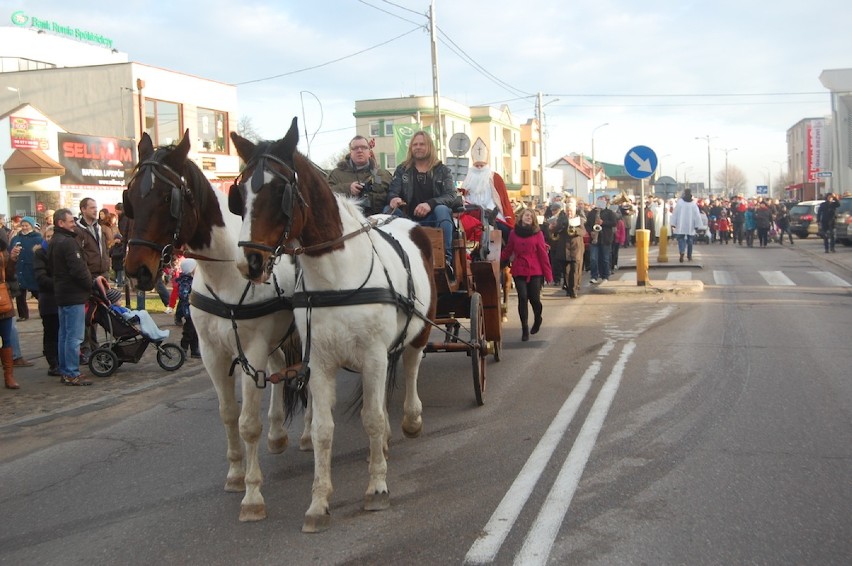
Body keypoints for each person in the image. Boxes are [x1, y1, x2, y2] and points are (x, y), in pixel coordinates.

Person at [387, 131, 457, 277]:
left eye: (422, 144)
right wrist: (393, 198)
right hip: (408, 219)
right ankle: (389, 258)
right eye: (415, 144)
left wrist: (430, 204)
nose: (418, 147)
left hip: (434, 219)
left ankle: (446, 259)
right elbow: (393, 191)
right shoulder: (402, 169)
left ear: (429, 147)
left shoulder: (443, 170)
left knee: (443, 210)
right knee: (387, 211)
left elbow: (451, 195)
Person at [50, 208, 96, 386]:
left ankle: (66, 370)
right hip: (73, 294)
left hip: (62, 293)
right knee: (74, 337)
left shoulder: (55, 240)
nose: (74, 224)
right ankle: (71, 372)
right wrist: (90, 285)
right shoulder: (68, 242)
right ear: (61, 223)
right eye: (71, 221)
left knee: (64, 335)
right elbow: (78, 269)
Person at [500, 208, 553, 342]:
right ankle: (524, 328)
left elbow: (542, 255)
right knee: (522, 297)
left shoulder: (538, 233)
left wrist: (548, 275)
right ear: (521, 217)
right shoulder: (514, 233)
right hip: (519, 269)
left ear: (534, 220)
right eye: (526, 215)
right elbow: (508, 250)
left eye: (531, 216)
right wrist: (497, 259)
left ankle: (538, 318)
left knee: (534, 299)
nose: (529, 217)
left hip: (535, 270)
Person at [75, 198, 113, 360]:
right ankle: (85, 347)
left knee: (97, 312)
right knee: (86, 313)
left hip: (101, 273)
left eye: (96, 207)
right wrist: (86, 275)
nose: (95, 210)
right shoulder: (78, 230)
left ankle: (94, 344)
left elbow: (104, 248)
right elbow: (80, 255)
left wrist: (106, 267)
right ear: (83, 209)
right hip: (88, 275)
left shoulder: (99, 227)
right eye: (91, 208)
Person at [460, 138, 516, 246]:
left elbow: (500, 199)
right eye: (477, 166)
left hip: (492, 214)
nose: (480, 168)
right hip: (471, 213)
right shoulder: (468, 178)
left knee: (507, 232)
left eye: (482, 165)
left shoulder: (495, 177)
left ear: (486, 165)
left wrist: (488, 210)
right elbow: (464, 198)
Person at [327, 135, 392, 216]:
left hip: (380, 223)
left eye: (364, 147)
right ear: (350, 152)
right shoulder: (336, 174)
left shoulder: (383, 174)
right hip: (349, 225)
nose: (359, 150)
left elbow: (394, 194)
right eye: (355, 148)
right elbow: (326, 194)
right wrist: (348, 189)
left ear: (369, 152)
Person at [33, 225, 60, 376]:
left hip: (62, 298)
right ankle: (53, 362)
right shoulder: (40, 254)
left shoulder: (59, 252)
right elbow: (41, 278)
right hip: (48, 299)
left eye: (52, 236)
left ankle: (60, 359)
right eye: (47, 236)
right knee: (50, 331)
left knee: (61, 331)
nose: (50, 239)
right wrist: (60, 282)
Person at [10, 216, 41, 321]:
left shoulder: (38, 238)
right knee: (20, 294)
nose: (24, 227)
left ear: (31, 226)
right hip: (19, 269)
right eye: (22, 225)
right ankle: (23, 315)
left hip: (32, 268)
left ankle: (43, 311)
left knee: (37, 292)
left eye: (26, 225)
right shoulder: (16, 238)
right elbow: (10, 251)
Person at [0, 239, 22, 389]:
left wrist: (12, 259)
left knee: (6, 340)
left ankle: (9, 376)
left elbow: (8, 274)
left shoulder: (2, 250)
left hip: (3, 302)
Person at [669, 188, 703, 263]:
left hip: (681, 224)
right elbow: (697, 215)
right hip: (690, 225)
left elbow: (675, 213)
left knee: (681, 239)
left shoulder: (680, 202)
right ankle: (689, 256)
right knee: (690, 241)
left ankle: (682, 251)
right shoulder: (693, 204)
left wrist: (673, 223)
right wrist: (697, 225)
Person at [586, 204, 617, 283]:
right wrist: (590, 232)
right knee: (593, 258)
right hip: (594, 239)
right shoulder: (592, 213)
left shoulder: (609, 212)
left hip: (605, 238)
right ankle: (594, 276)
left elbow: (614, 222)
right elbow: (587, 224)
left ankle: (605, 276)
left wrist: (603, 222)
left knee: (605, 259)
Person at [176, 257, 200, 358]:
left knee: (196, 332)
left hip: (196, 309)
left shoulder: (194, 279)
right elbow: (183, 295)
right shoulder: (186, 281)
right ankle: (183, 349)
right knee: (189, 331)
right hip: (189, 310)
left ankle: (194, 350)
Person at [564, 207, 586, 298]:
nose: (569, 213)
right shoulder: (562, 219)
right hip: (565, 248)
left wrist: (575, 230)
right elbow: (556, 230)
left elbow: (583, 232)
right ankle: (568, 289)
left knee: (575, 270)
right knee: (567, 271)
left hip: (576, 248)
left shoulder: (579, 220)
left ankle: (573, 290)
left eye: (571, 211)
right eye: (568, 211)